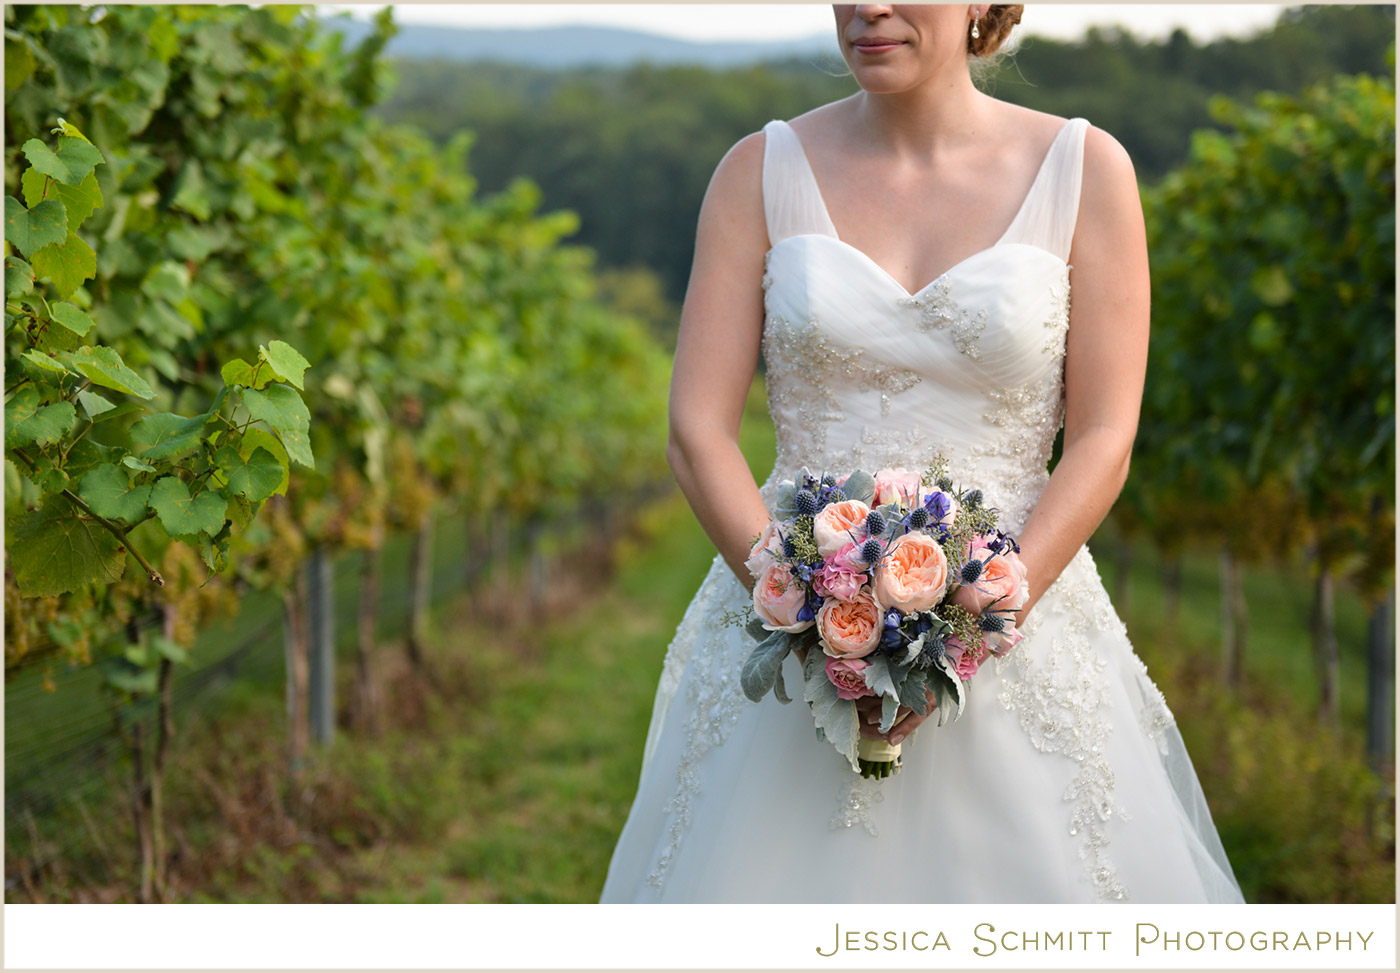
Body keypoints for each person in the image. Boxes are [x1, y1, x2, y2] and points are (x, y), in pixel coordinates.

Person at [600, 4, 1244, 903]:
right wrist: (803, 616)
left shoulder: (1085, 169)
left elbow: (1104, 434)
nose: (868, 7)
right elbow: (697, 430)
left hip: (1023, 617)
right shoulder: (759, 170)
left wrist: (978, 619)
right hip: (794, 626)